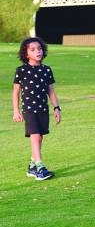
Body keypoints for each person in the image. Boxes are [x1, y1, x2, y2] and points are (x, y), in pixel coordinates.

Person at [12, 37, 60, 181]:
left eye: (39, 49)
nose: (37, 51)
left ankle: (32, 166)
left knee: (40, 137)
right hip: (29, 110)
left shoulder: (46, 70)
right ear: (26, 54)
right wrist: (16, 110)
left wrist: (57, 108)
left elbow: (51, 91)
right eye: (33, 50)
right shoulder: (21, 71)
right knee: (35, 135)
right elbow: (15, 92)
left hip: (43, 109)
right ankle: (40, 167)